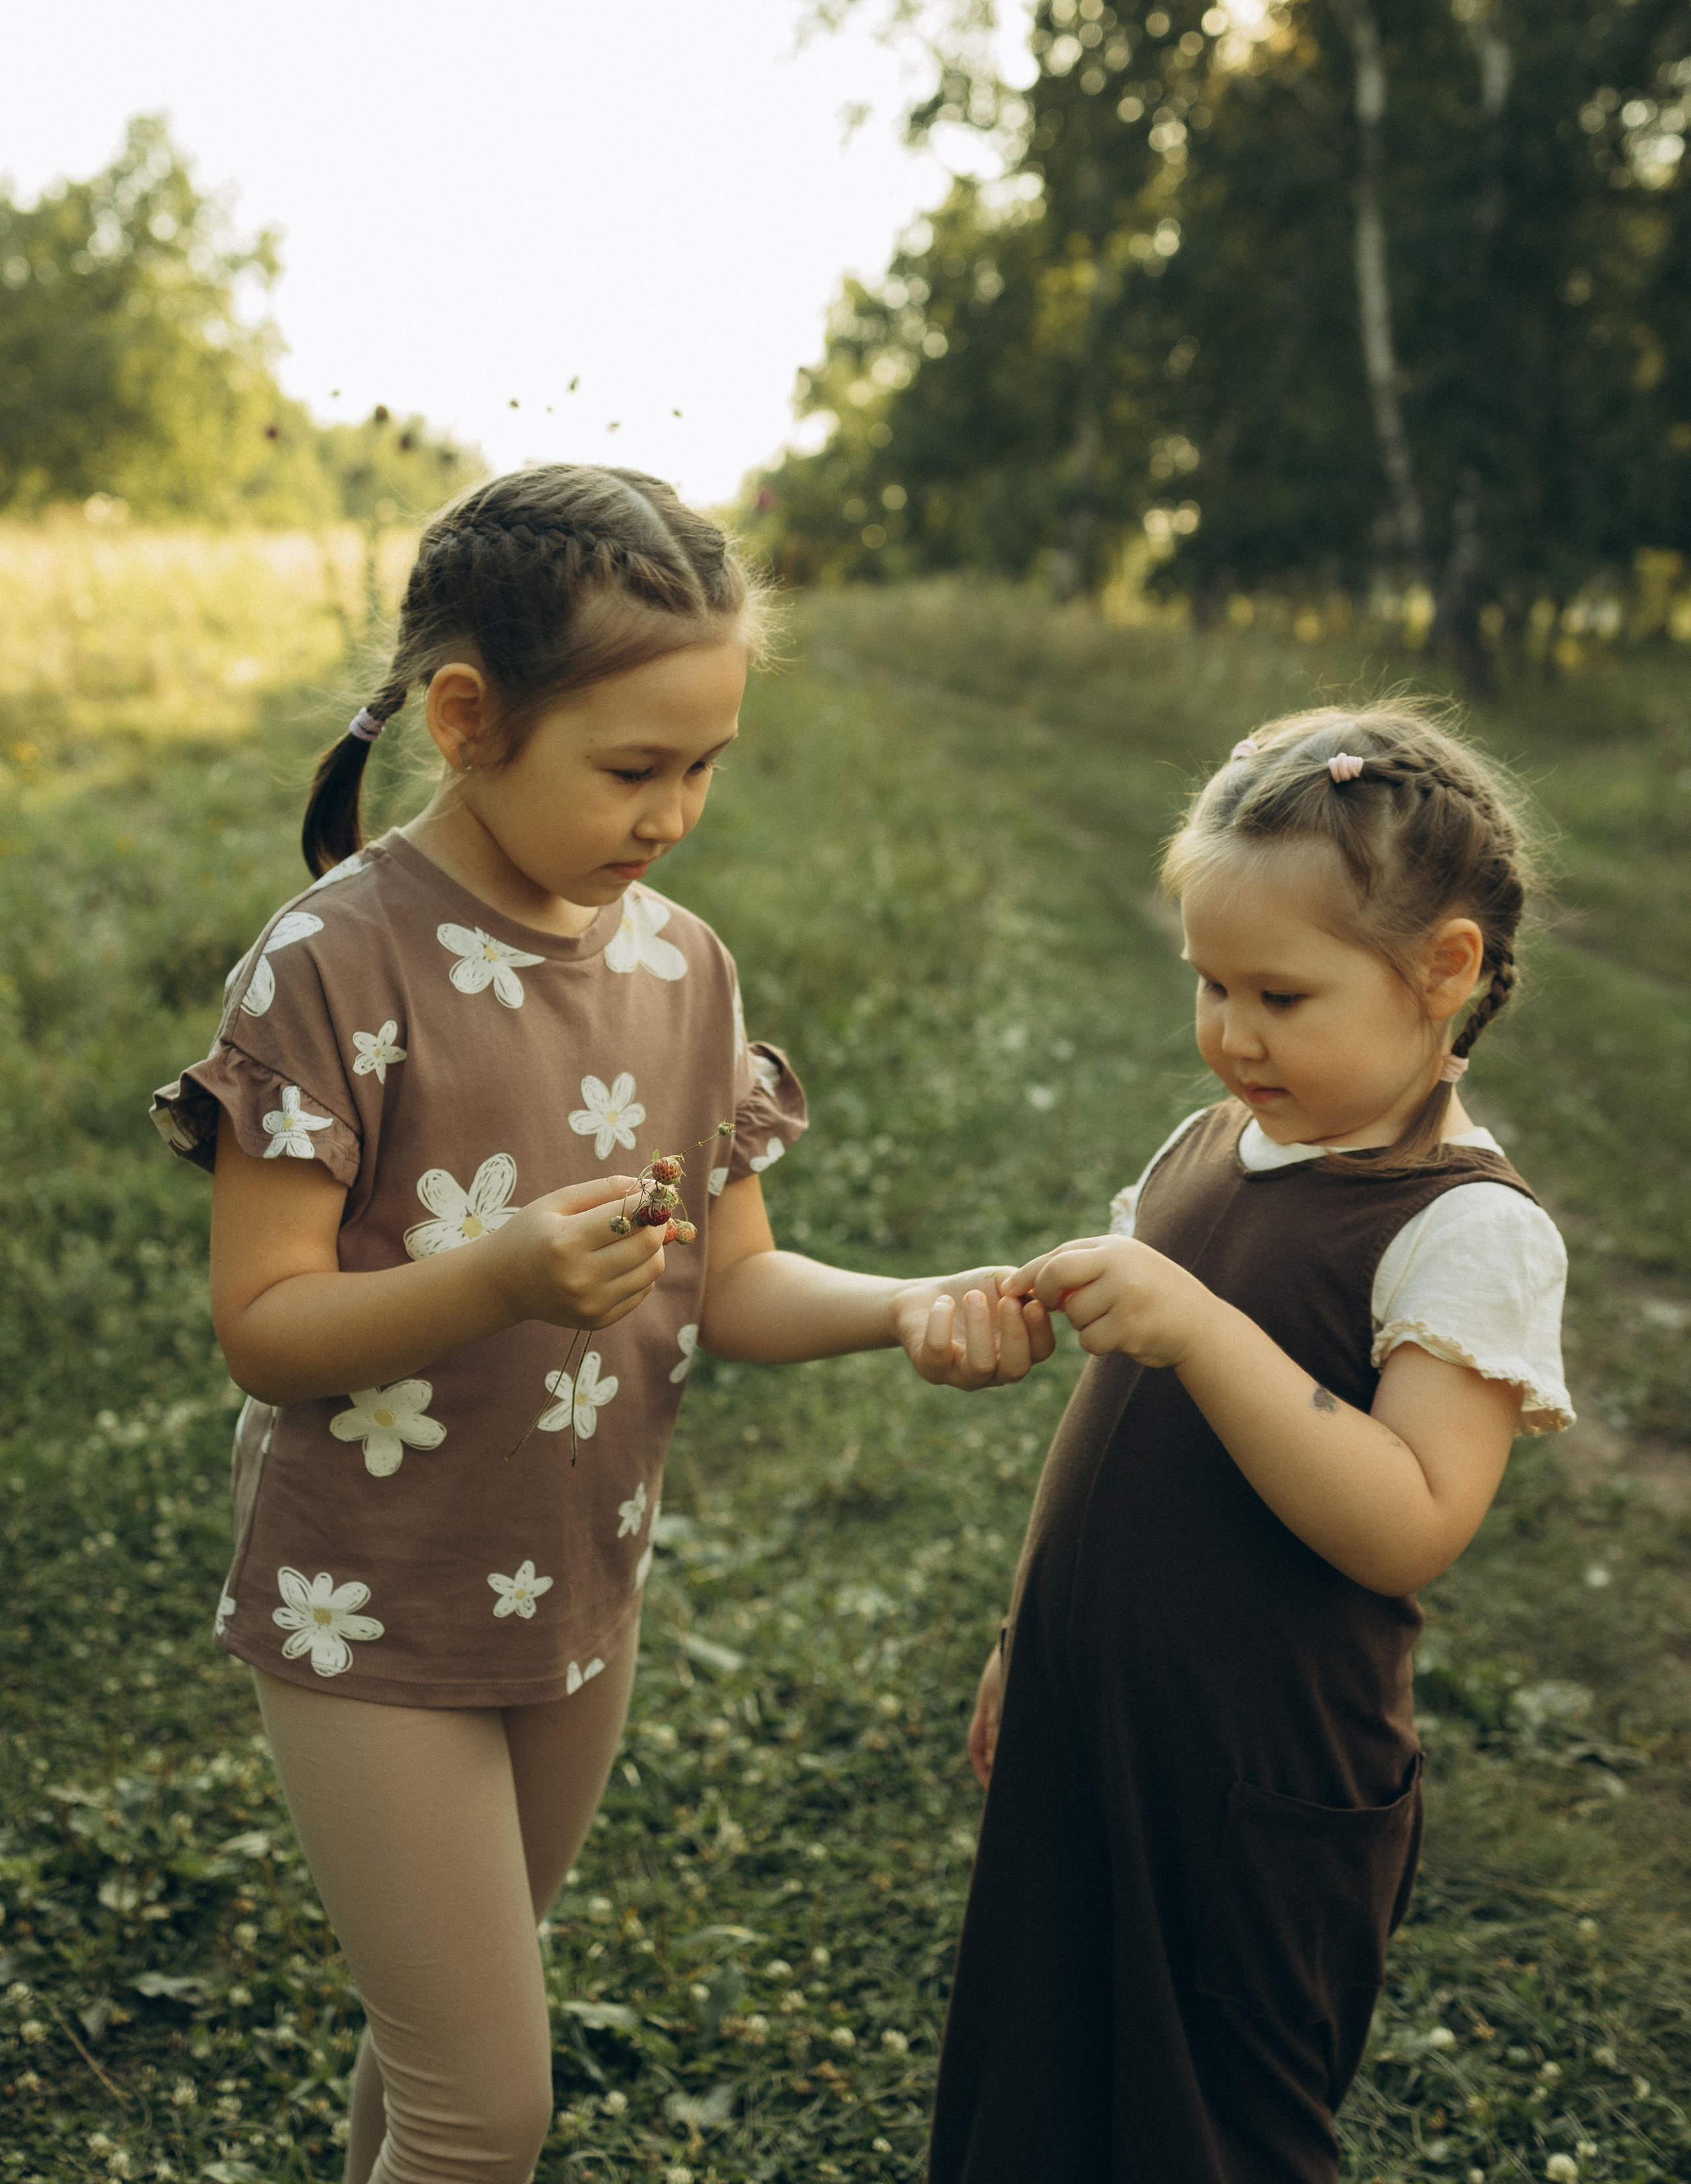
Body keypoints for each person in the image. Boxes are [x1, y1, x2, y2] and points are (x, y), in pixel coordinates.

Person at [151, 463, 1051, 2184]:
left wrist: (912, 1307)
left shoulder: (685, 972)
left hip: (578, 1588)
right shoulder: (334, 963)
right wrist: (495, 1277)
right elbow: (263, 1325)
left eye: (708, 765)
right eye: (636, 768)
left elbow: (741, 1277)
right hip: (370, 1606)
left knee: (433, 2064)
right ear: (467, 717)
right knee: (488, 2114)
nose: (679, 813)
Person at [929, 706, 1571, 2184]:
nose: (1229, 1032)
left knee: (1213, 2123)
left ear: (1442, 973)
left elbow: (1408, 1519)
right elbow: (1107, 1442)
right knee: (1039, 2066)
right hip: (1097, 1717)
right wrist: (1024, 1635)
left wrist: (1200, 1326)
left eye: (1279, 993)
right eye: (1207, 984)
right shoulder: (1204, 1143)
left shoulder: (1461, 1229)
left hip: (1253, 1780)